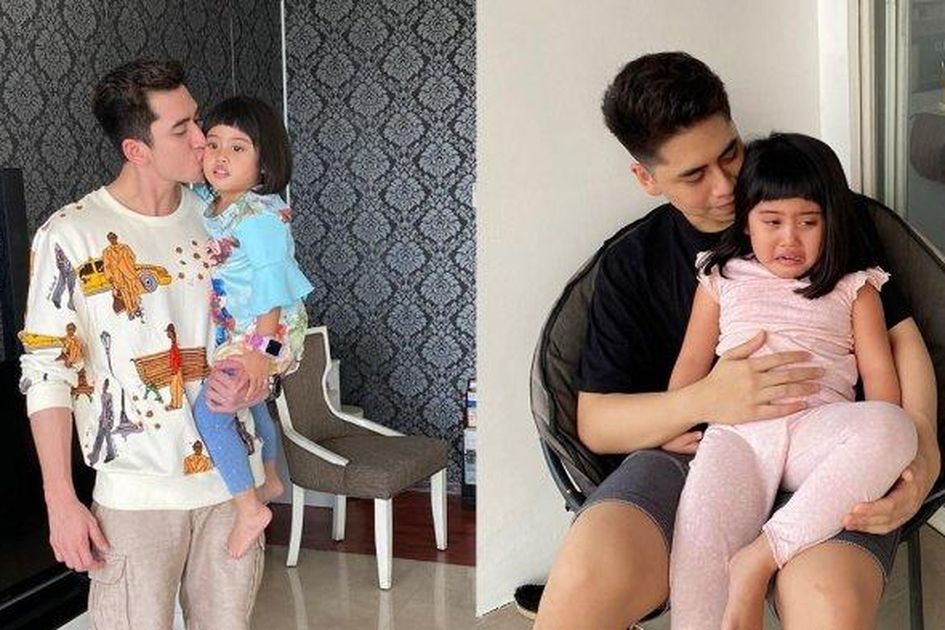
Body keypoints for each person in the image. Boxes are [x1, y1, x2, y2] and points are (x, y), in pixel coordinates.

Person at [532, 52, 939, 629]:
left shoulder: (826, 216)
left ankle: (767, 554)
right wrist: (705, 400)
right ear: (647, 179)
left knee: (829, 607)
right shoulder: (635, 264)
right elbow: (594, 422)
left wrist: (923, 450)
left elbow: (900, 342)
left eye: (729, 153)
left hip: (830, 453)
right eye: (694, 175)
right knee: (582, 584)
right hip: (702, 453)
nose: (725, 187)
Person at [19, 59, 267, 629]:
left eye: (196, 119)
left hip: (233, 487)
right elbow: (47, 370)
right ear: (137, 149)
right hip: (135, 498)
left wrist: (265, 369)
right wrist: (61, 499)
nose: (203, 139)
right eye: (181, 129)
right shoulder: (70, 234)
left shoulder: (225, 220)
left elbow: (272, 324)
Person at [667, 132, 918, 629]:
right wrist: (675, 420)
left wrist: (886, 456)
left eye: (808, 222)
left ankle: (760, 557)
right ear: (746, 220)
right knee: (697, 538)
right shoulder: (721, 277)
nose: (789, 239)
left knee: (895, 427)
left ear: (831, 222)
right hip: (738, 436)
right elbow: (691, 364)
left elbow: (881, 380)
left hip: (816, 435)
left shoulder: (855, 286)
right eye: (772, 221)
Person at [191, 95, 313, 558]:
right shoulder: (214, 203)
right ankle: (272, 476)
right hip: (244, 332)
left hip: (269, 332)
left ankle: (249, 509)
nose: (220, 156)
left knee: (212, 412)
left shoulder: (259, 217)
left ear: (264, 163)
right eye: (213, 144)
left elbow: (273, 288)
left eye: (238, 148)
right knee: (254, 399)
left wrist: (262, 352)